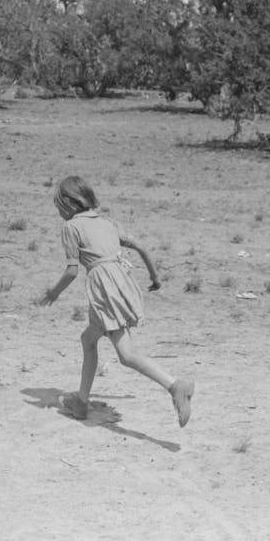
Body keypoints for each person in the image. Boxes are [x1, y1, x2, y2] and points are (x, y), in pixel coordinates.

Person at [38, 175, 194, 427]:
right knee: (88, 339)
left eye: (58, 205)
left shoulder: (71, 228)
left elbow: (71, 271)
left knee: (126, 354)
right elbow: (141, 247)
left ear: (69, 204)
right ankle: (81, 401)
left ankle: (175, 386)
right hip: (121, 282)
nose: (57, 211)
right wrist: (155, 277)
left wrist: (53, 293)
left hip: (104, 289)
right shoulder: (107, 222)